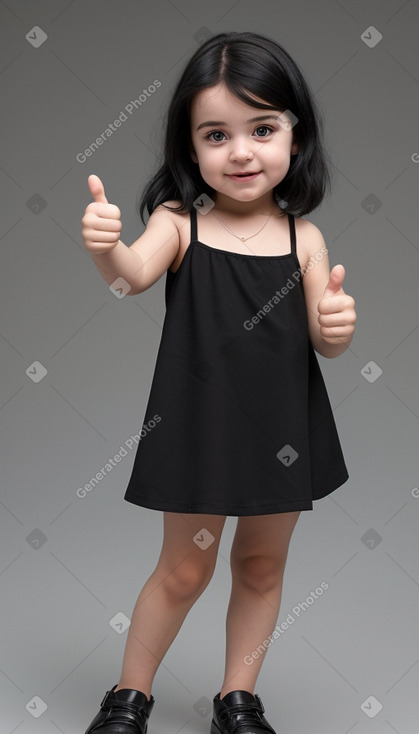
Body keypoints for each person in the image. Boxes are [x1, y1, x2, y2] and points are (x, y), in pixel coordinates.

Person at [81, 30, 356, 734]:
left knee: (261, 568)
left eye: (261, 128)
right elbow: (132, 278)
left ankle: (237, 701)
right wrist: (107, 246)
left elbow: (322, 343)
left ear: (295, 136)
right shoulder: (181, 223)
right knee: (182, 571)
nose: (240, 152)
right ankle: (129, 696)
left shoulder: (304, 238)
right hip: (200, 422)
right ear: (189, 147)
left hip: (282, 429)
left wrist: (333, 327)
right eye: (215, 134)